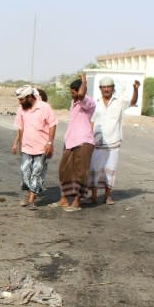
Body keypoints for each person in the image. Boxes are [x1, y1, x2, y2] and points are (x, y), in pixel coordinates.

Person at [88, 77, 140, 205]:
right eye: (104, 87)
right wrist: (88, 138)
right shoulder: (96, 104)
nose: (106, 89)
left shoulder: (119, 102)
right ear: (100, 89)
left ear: (112, 88)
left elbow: (133, 101)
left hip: (113, 141)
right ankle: (93, 196)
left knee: (110, 169)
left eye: (109, 87)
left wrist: (135, 89)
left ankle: (107, 196)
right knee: (94, 168)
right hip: (97, 142)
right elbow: (92, 121)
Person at [52, 74, 95, 211]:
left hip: (84, 141)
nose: (72, 95)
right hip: (71, 141)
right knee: (64, 170)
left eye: (73, 92)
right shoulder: (74, 103)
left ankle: (77, 201)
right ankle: (64, 199)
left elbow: (82, 94)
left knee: (80, 172)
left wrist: (84, 81)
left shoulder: (88, 102)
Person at [11, 85, 58, 210]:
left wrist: (49, 143)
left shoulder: (44, 107)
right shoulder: (21, 109)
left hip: (42, 147)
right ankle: (29, 193)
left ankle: (31, 199)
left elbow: (53, 125)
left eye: (21, 99)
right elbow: (20, 127)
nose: (20, 102)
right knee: (24, 171)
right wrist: (19, 144)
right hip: (26, 146)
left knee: (36, 172)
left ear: (29, 97)